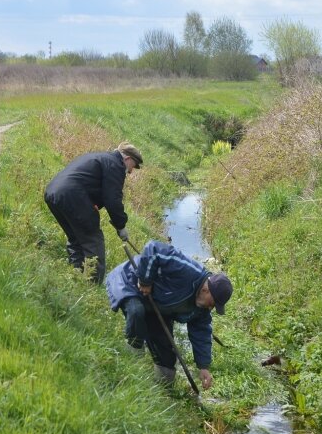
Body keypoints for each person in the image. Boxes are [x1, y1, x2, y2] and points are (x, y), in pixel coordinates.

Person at [105, 240, 233, 390]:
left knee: (166, 357)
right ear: (206, 290)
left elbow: (202, 333)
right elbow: (154, 248)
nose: (211, 308)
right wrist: (145, 280)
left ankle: (163, 392)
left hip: (156, 305)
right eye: (213, 303)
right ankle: (128, 370)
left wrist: (203, 367)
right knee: (136, 312)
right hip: (131, 282)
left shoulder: (202, 309)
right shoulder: (187, 270)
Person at [44, 142, 143, 283]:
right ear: (127, 159)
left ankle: (76, 279)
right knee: (93, 241)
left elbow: (91, 184)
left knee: (76, 239)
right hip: (73, 196)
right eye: (133, 166)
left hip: (53, 194)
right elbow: (112, 200)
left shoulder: (101, 157)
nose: (131, 171)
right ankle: (91, 285)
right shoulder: (115, 165)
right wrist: (121, 226)